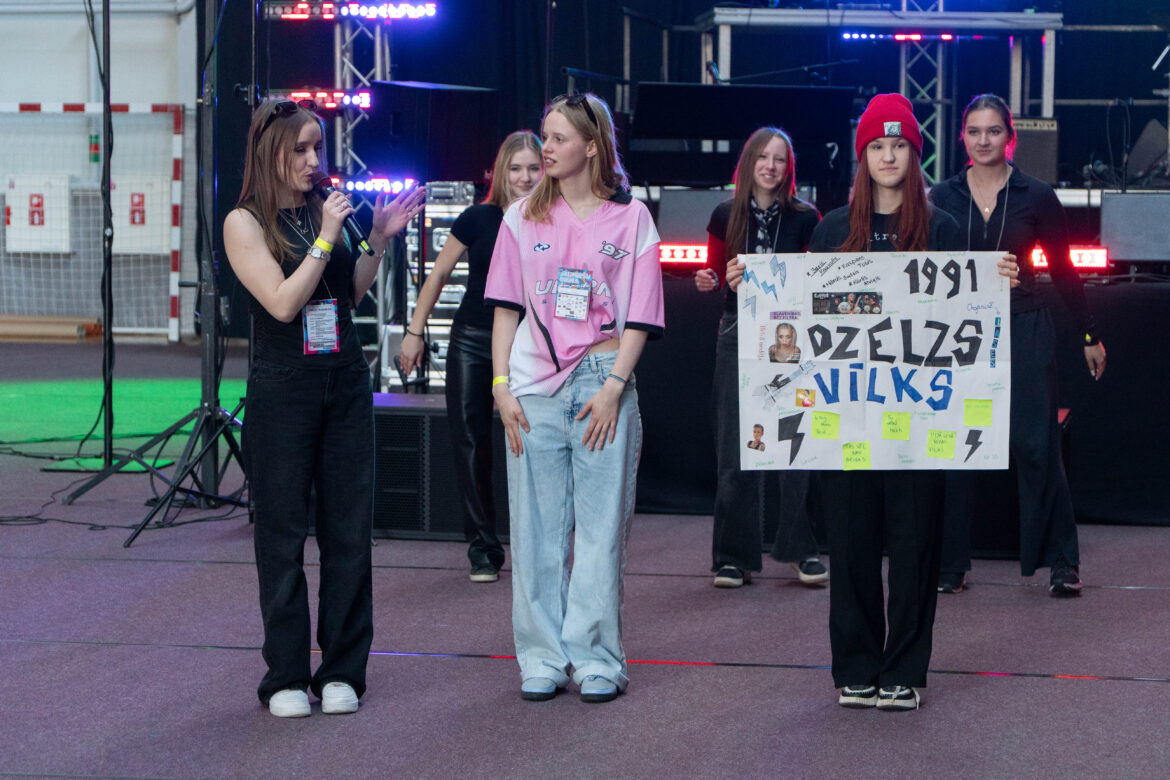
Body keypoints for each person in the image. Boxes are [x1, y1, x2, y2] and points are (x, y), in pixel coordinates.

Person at [807, 93, 1019, 711]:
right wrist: (750, 286)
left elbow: (968, 321)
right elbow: (798, 313)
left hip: (921, 419)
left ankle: (903, 669)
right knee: (848, 544)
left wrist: (996, 282)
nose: (889, 155)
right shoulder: (829, 231)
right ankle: (855, 665)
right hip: (847, 414)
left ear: (915, 154)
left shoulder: (945, 229)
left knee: (914, 543)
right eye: (878, 146)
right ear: (863, 155)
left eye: (899, 145)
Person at [223, 98, 425, 718]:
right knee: (282, 533)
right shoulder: (245, 223)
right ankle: (285, 675)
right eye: (301, 150)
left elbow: (348, 291)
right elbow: (283, 304)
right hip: (284, 386)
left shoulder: (322, 212)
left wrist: (379, 242)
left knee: (347, 531)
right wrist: (327, 237)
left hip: (343, 377)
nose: (315, 161)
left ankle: (342, 669)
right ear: (271, 153)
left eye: (319, 149)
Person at [484, 93, 664, 704]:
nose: (545, 148)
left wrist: (615, 388)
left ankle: (596, 658)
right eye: (544, 136)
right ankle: (540, 656)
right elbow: (506, 308)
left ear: (591, 145)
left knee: (600, 528)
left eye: (558, 138)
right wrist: (501, 385)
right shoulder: (519, 218)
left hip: (603, 382)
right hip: (533, 389)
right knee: (533, 530)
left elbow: (641, 315)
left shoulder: (632, 218)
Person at [930, 94, 1106, 596]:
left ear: (1011, 138)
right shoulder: (941, 196)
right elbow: (919, 267)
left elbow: (1065, 270)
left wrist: (1089, 334)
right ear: (962, 137)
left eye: (993, 131)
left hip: (1024, 325)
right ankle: (951, 563)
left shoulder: (1037, 195)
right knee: (954, 447)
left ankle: (1062, 561)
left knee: (1036, 445)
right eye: (974, 131)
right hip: (957, 331)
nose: (984, 140)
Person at [398, 131, 543, 583]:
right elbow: (439, 274)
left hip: (531, 344)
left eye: (533, 168)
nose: (524, 177)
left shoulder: (557, 218)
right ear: (501, 172)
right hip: (472, 339)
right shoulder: (477, 217)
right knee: (470, 441)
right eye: (515, 168)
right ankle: (483, 548)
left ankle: (539, 543)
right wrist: (414, 332)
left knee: (534, 441)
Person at [694, 126, 827, 589]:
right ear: (749, 162)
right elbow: (712, 274)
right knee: (735, 447)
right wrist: (711, 280)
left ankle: (799, 549)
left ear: (789, 169)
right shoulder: (724, 214)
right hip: (737, 332)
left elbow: (821, 281)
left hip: (793, 339)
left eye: (780, 160)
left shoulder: (807, 218)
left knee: (795, 446)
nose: (771, 167)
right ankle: (733, 557)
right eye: (764, 158)